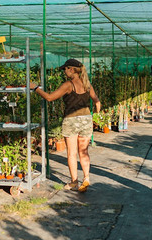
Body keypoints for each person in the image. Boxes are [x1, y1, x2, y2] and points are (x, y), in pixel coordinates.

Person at [30, 58, 101, 193]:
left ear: (72, 69)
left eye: (65, 69)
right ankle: (86, 178)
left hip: (71, 120)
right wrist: (94, 115)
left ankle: (74, 182)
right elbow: (97, 102)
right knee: (84, 151)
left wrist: (35, 88)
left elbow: (50, 97)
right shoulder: (87, 84)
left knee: (72, 154)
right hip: (86, 119)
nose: (64, 72)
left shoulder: (68, 85)